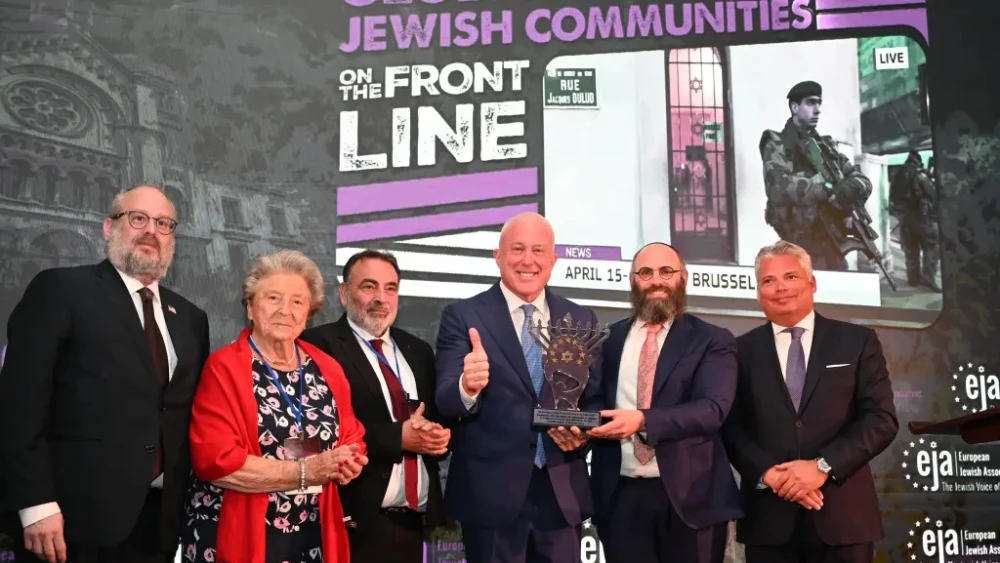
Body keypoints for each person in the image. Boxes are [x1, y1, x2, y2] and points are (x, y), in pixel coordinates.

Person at [0, 185, 211, 563]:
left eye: (164, 223)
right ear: (108, 227)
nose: (152, 231)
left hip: (159, 523)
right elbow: (18, 405)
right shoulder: (61, 290)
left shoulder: (192, 318)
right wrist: (35, 504)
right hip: (68, 523)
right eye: (138, 218)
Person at [434, 212, 600, 563]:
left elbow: (594, 399)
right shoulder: (464, 316)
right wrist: (468, 385)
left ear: (553, 260)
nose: (528, 260)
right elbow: (446, 400)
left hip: (561, 493)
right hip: (490, 496)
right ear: (498, 256)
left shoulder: (582, 319)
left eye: (539, 251)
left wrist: (581, 431)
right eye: (518, 249)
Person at [183, 250, 369, 563]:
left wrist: (348, 462)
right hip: (239, 530)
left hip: (313, 531)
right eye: (273, 298)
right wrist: (306, 472)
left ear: (309, 311)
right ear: (250, 308)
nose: (286, 310)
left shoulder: (328, 367)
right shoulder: (224, 368)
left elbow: (352, 436)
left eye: (298, 301)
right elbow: (215, 461)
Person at [722, 241, 899, 563]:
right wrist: (768, 474)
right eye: (768, 281)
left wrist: (822, 466)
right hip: (769, 521)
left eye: (790, 276)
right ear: (758, 292)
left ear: (812, 282)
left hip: (845, 519)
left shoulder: (857, 341)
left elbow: (881, 419)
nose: (780, 288)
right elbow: (730, 427)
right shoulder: (737, 352)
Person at [587, 242, 743, 563]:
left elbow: (712, 409)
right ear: (633, 281)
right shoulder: (607, 338)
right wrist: (577, 425)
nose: (656, 280)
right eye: (645, 272)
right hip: (620, 496)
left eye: (666, 272)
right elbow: (594, 402)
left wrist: (643, 420)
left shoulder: (712, 339)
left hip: (693, 499)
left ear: (683, 278)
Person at [300, 249, 450, 562]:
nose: (381, 298)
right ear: (344, 293)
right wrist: (398, 438)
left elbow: (435, 418)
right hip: (355, 524)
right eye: (369, 287)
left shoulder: (418, 351)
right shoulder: (317, 345)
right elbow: (310, 436)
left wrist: (438, 438)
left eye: (390, 288)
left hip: (419, 526)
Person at [759, 80, 874, 271]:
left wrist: (847, 189)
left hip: (831, 243)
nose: (818, 109)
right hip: (799, 247)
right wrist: (828, 189)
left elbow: (861, 180)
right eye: (811, 103)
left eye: (819, 103)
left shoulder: (826, 148)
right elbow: (777, 187)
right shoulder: (778, 144)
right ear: (794, 107)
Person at [888, 150, 940, 291]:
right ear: (918, 161)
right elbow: (933, 194)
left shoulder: (898, 176)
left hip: (905, 220)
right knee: (931, 249)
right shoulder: (920, 175)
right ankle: (928, 279)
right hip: (923, 219)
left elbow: (892, 199)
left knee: (911, 250)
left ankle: (913, 278)